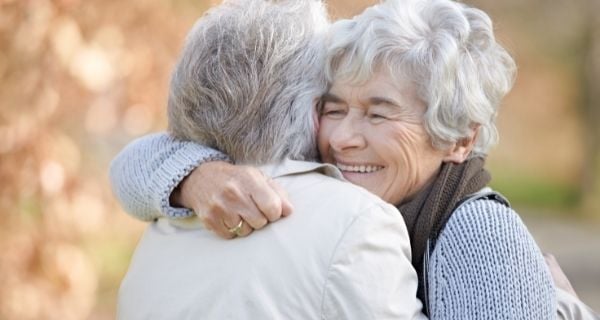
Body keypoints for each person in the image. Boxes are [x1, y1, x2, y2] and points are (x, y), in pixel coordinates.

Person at [112, 0, 598, 318]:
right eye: (333, 108)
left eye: (379, 114)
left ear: (459, 141)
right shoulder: (334, 202)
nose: (343, 137)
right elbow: (135, 160)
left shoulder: (478, 236)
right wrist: (195, 176)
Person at [116, 0, 426, 319]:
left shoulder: (158, 234)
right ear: (308, 108)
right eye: (334, 107)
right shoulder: (358, 222)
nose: (343, 136)